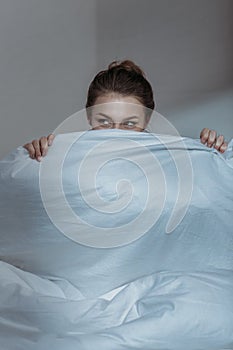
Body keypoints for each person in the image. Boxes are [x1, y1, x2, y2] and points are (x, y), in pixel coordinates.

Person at [23, 60, 228, 161]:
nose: (116, 134)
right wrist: (32, 158)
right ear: (88, 116)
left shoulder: (172, 161)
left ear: (147, 121)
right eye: (104, 122)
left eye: (129, 124)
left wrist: (212, 155)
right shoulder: (60, 158)